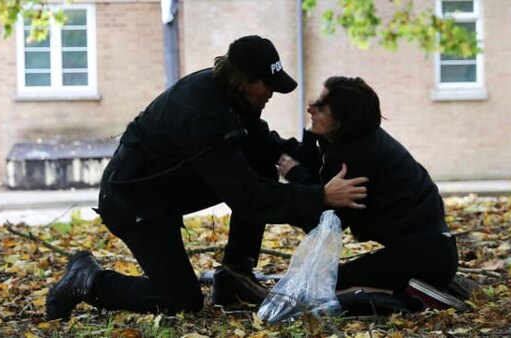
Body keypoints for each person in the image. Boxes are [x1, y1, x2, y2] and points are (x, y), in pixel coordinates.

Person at [45, 36, 369, 320]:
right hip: (134, 203)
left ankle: (234, 278)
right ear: (246, 80)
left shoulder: (229, 94)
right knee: (180, 300)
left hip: (166, 190)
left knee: (258, 165)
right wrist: (320, 197)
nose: (272, 93)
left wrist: (315, 154)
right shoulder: (203, 118)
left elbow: (261, 142)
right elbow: (248, 197)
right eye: (268, 85)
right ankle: (87, 281)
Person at [277, 76, 466, 315]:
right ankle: (424, 286)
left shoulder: (355, 157)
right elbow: (322, 182)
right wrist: (312, 138)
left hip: (424, 256)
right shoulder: (363, 142)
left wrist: (297, 178)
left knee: (321, 289)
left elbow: (325, 223)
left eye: (321, 107)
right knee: (329, 284)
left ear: (344, 119)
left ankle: (415, 299)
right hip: (431, 252)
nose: (310, 108)